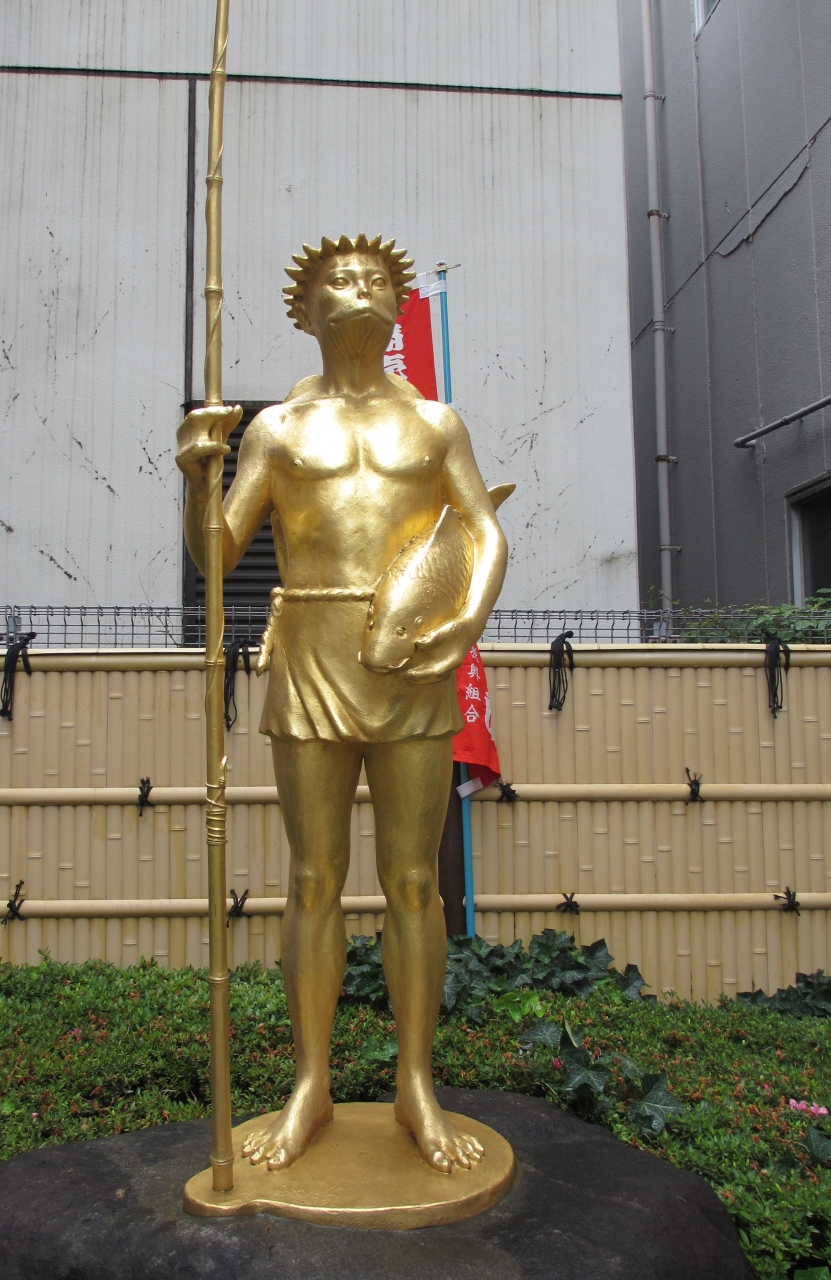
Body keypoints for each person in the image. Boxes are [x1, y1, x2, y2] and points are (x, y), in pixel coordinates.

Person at [176, 234, 507, 1173]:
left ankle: (416, 1083)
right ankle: (311, 1082)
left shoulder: (436, 424)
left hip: (411, 656)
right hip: (312, 655)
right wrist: (197, 476)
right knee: (313, 876)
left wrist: (465, 621)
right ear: (307, 310)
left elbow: (484, 531)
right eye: (338, 281)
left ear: (396, 305)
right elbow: (219, 554)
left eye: (372, 280)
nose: (357, 290)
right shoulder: (276, 429)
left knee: (414, 881)